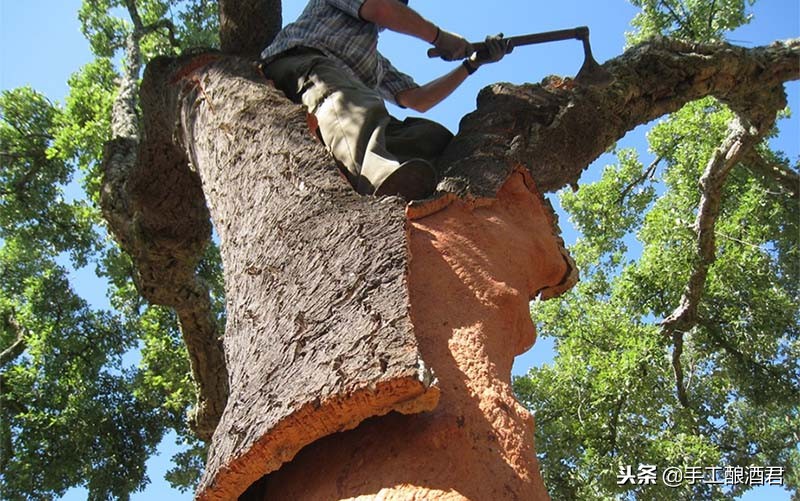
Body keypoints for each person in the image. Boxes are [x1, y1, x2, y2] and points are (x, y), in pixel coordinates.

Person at [261, 0, 510, 200]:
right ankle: (379, 176)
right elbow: (381, 9)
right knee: (353, 104)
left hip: (347, 93)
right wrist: (439, 37)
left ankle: (435, 184)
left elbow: (418, 99)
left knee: (429, 135)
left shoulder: (374, 62)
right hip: (299, 66)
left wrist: (471, 65)